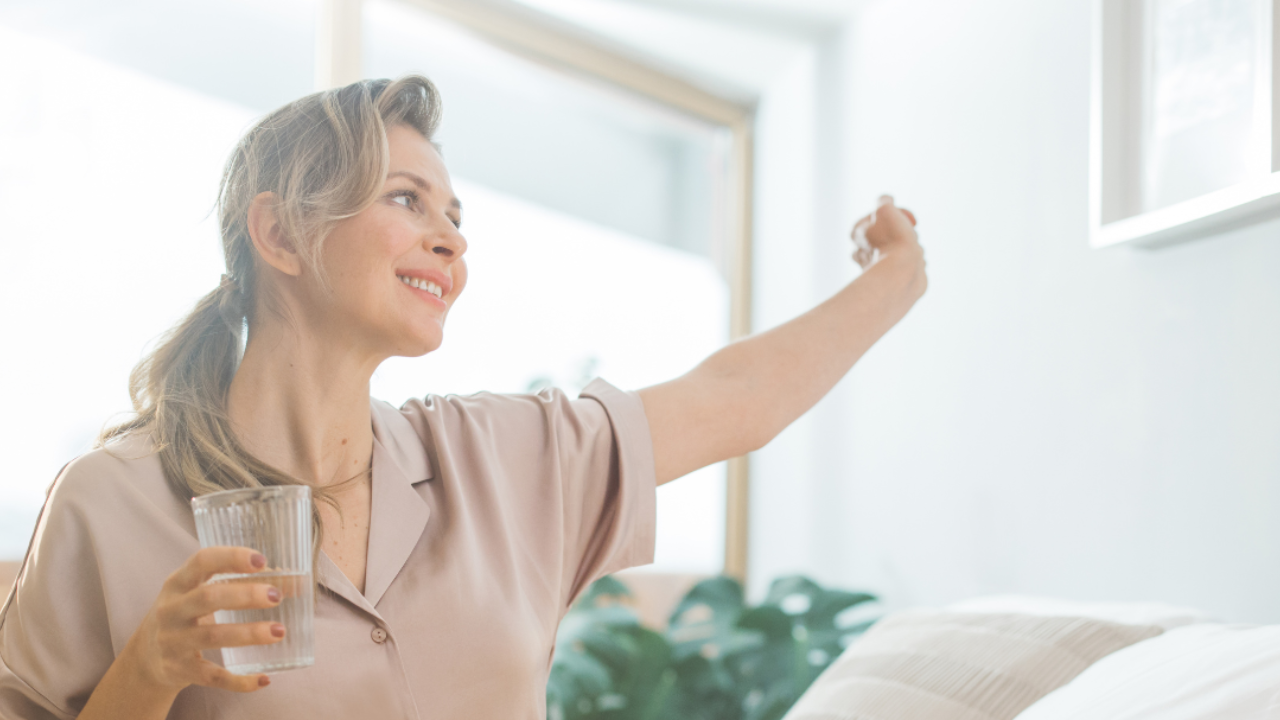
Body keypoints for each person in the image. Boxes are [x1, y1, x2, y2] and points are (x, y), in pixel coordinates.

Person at [0, 76, 925, 719]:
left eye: (454, 216)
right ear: (279, 233)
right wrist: (149, 671)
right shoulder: (107, 506)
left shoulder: (506, 461)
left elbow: (734, 398)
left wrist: (898, 276)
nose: (450, 239)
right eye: (407, 200)